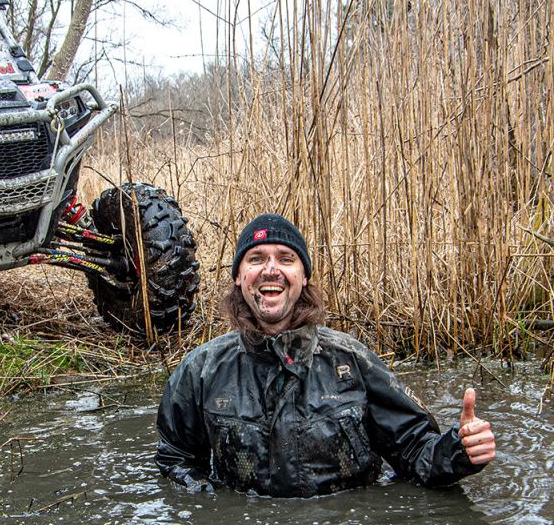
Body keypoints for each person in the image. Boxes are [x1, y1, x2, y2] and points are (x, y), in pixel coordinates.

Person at [155, 213, 496, 497]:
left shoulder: (352, 361)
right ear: (240, 278)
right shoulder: (200, 371)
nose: (271, 270)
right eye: (256, 259)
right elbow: (176, 459)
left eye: (286, 259)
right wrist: (212, 505)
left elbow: (415, 452)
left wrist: (459, 451)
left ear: (302, 278)